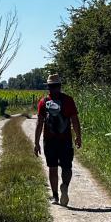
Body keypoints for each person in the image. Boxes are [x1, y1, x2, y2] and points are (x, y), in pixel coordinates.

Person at [34, 73, 82, 206]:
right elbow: (74, 120)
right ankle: (65, 186)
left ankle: (55, 196)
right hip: (65, 140)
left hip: (49, 140)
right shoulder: (68, 100)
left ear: (48, 87)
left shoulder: (43, 102)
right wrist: (78, 136)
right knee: (67, 167)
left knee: (52, 168)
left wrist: (36, 142)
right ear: (60, 86)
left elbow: (39, 123)